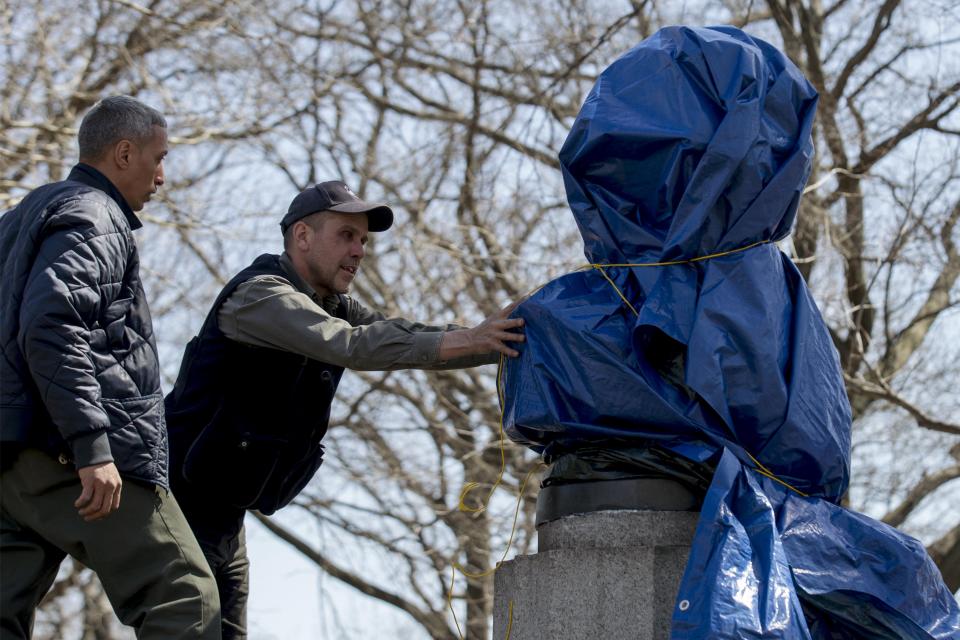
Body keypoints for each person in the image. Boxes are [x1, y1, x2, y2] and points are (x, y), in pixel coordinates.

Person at [164, 180, 525, 639]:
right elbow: (352, 346)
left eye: (363, 241)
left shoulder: (333, 304)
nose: (359, 251)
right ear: (302, 236)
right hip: (172, 504)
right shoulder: (259, 296)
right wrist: (475, 338)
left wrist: (503, 339)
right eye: (346, 236)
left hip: (223, 513)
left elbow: (404, 334)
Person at [0, 96, 221, 639]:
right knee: (185, 595)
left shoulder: (19, 218)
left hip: (10, 463)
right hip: (65, 451)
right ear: (124, 153)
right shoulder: (96, 215)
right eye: (158, 158)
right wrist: (92, 446)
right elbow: (52, 327)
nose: (162, 177)